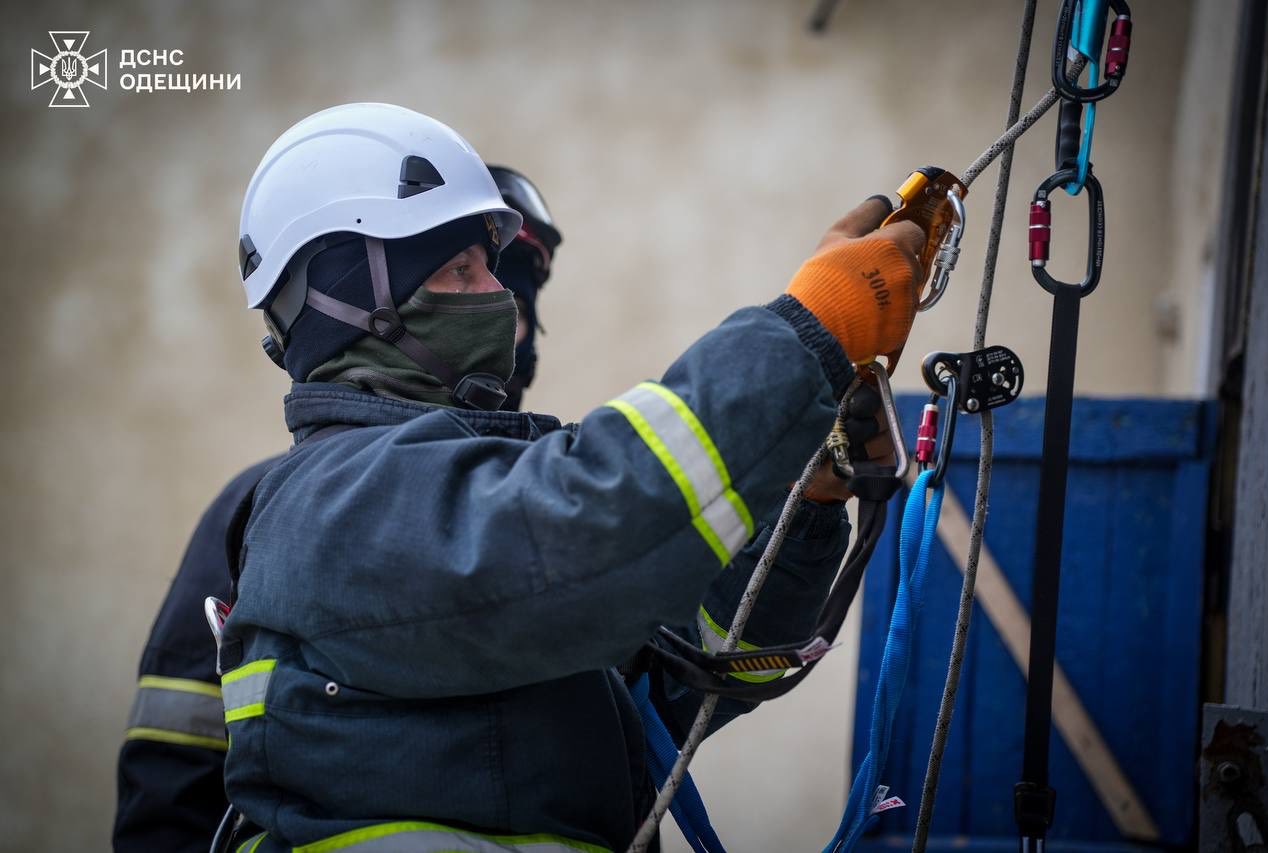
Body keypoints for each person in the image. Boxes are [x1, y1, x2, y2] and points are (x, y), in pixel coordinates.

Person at [219, 103, 923, 852]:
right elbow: (592, 536)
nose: (500, 297)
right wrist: (808, 330)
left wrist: (803, 504)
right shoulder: (337, 503)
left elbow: (686, 678)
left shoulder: (454, 498)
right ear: (359, 296)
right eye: (464, 267)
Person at [113, 163, 566, 853]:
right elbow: (174, 763)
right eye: (462, 279)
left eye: (517, 303)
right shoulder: (267, 507)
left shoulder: (552, 498)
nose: (504, 319)